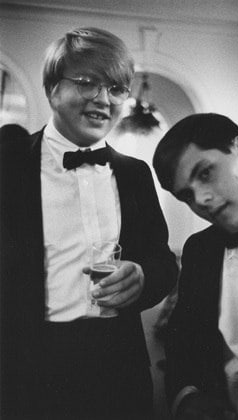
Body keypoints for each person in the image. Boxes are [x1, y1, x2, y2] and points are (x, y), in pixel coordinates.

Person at [0, 27, 178, 420]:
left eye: (116, 88)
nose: (104, 99)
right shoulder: (7, 165)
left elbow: (164, 263)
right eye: (86, 83)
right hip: (27, 371)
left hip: (119, 371)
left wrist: (145, 277)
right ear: (52, 90)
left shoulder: (136, 174)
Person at [152, 113, 238, 420]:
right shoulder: (199, 250)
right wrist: (186, 398)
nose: (201, 201)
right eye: (187, 196)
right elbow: (182, 344)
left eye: (206, 174)